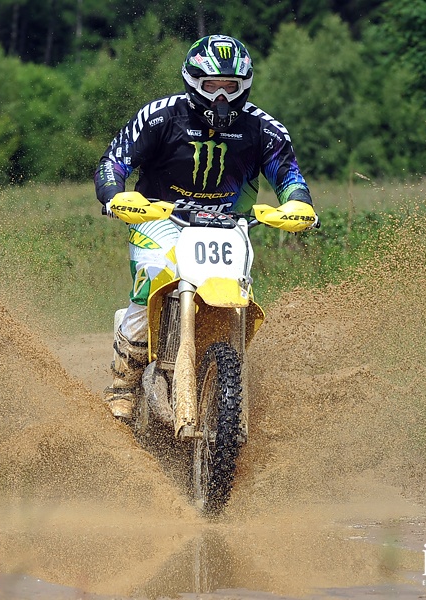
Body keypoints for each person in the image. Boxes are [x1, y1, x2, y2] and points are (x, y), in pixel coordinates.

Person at [93, 34, 317, 420]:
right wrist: (115, 196)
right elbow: (113, 161)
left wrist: (297, 203)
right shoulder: (161, 117)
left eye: (230, 86)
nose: (221, 97)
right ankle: (123, 382)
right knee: (153, 274)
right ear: (194, 82)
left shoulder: (264, 129)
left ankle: (225, 381)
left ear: (243, 85)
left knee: (238, 293)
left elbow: (290, 175)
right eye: (212, 86)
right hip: (160, 219)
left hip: (230, 226)